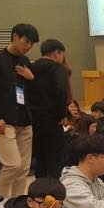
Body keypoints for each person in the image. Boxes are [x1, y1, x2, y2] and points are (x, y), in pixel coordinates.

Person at [0, 23, 39, 199]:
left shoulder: (25, 61)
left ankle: (17, 203)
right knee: (13, 164)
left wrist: (31, 79)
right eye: (26, 41)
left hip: (24, 119)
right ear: (15, 36)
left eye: (32, 44)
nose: (29, 46)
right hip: (3, 120)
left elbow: (29, 93)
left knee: (23, 168)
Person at [29, 39, 71, 179]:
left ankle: (40, 186)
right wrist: (62, 115)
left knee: (40, 157)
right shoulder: (57, 68)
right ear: (56, 53)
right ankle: (53, 188)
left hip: (33, 119)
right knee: (54, 158)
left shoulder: (31, 67)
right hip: (52, 120)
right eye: (62, 54)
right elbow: (61, 92)